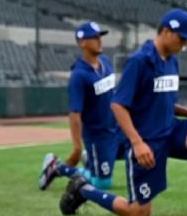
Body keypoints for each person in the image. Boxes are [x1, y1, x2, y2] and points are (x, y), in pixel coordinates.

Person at [59, 9, 187, 216]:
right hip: (147, 141)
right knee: (139, 211)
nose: (184, 45)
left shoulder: (171, 59)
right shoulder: (139, 61)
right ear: (166, 32)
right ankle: (83, 189)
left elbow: (161, 100)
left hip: (170, 129)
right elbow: (118, 105)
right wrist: (137, 143)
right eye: (182, 38)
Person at [38, 21, 127, 191]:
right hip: (98, 135)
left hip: (116, 128)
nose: (99, 40)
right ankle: (56, 166)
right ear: (82, 43)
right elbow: (75, 114)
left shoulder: (106, 62)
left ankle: (92, 160)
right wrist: (77, 147)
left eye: (100, 36)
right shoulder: (79, 76)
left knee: (139, 148)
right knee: (102, 183)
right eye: (94, 38)